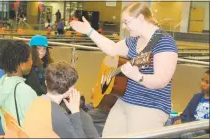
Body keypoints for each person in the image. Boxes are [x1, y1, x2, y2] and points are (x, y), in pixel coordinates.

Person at [70, 2, 178, 136]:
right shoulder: (134, 40)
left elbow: (162, 80)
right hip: (124, 101)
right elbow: (112, 49)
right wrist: (90, 32)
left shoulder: (165, 42)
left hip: (150, 106)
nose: (124, 26)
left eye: (127, 22)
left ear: (140, 18)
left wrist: (138, 76)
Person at [24, 61, 99, 138]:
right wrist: (75, 112)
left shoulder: (36, 102)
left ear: (46, 82)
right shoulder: (57, 113)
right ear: (69, 89)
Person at [0, 40, 38, 129]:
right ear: (21, 65)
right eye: (30, 59)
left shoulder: (1, 83)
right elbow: (38, 121)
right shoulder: (25, 91)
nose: (32, 62)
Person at [166, 70, 209, 138]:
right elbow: (185, 115)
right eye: (202, 80)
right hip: (188, 124)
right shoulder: (197, 97)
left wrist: (184, 123)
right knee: (167, 122)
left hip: (202, 129)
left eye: (207, 82)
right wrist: (179, 120)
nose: (202, 84)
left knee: (185, 133)